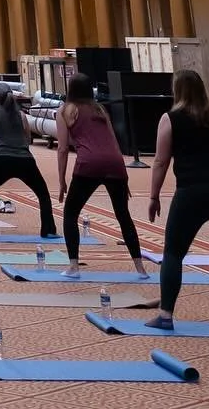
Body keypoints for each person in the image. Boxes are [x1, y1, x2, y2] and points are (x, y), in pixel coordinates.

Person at [146, 69, 209, 329]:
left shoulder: (170, 119)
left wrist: (154, 197)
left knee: (174, 252)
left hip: (190, 192)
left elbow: (160, 162)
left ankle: (165, 315)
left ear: (177, 90)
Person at [55, 74, 147, 277]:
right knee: (123, 215)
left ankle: (73, 266)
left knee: (71, 213)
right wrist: (123, 174)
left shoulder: (64, 110)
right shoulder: (100, 109)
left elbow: (62, 149)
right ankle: (140, 268)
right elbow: (114, 142)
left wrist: (61, 180)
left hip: (89, 163)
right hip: (115, 163)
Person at [0, 89, 57, 238]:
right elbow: (27, 139)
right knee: (43, 194)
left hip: (1, 161)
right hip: (26, 160)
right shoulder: (22, 115)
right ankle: (49, 230)